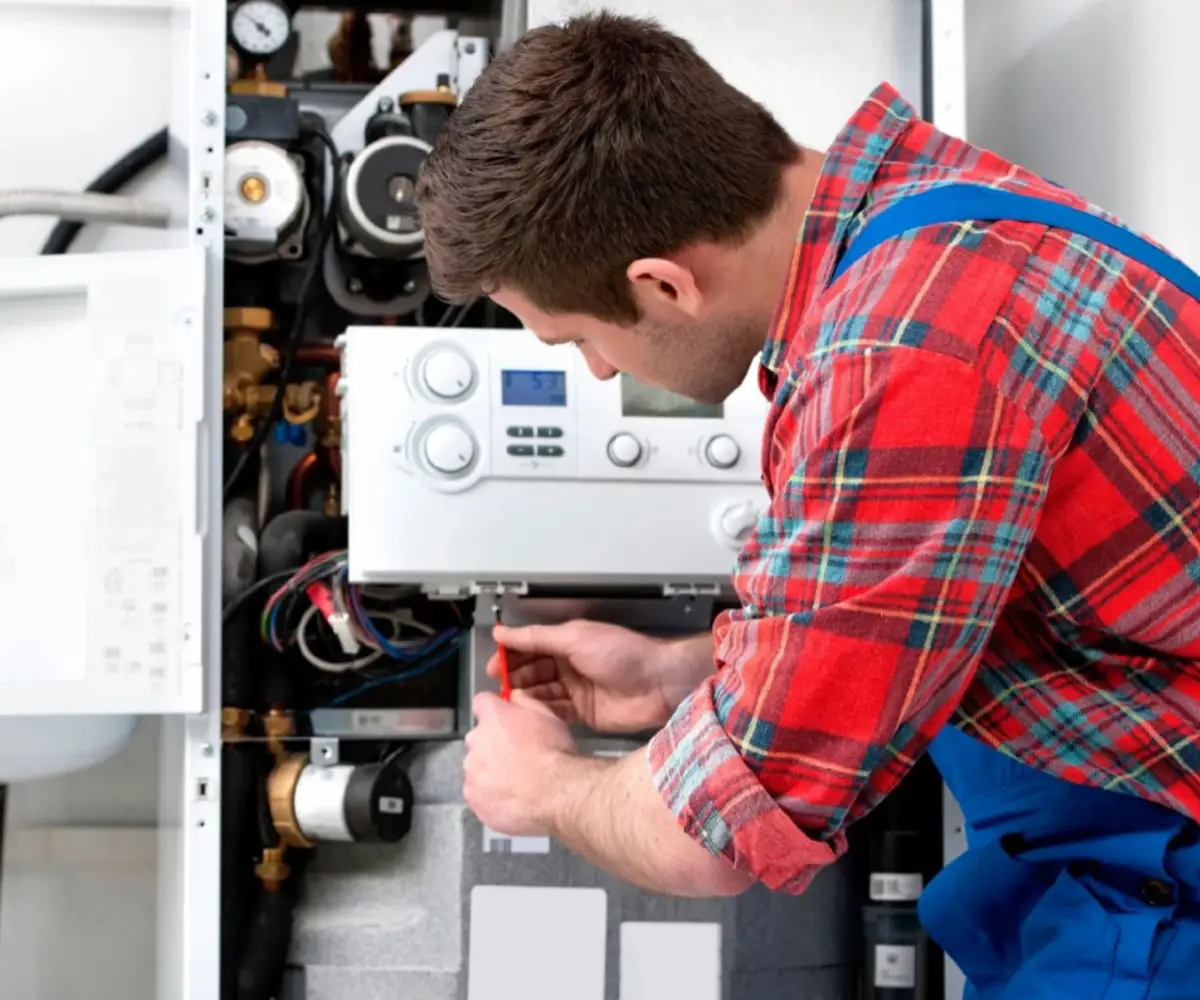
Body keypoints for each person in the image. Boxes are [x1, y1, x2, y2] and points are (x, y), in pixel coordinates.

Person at [416, 12, 1200, 999]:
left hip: (1167, 870)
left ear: (661, 283)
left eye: (578, 338)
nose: (602, 368)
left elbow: (718, 836)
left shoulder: (900, 358)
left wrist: (543, 788)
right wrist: (679, 674)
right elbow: (931, 596)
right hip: (1117, 821)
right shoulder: (925, 210)